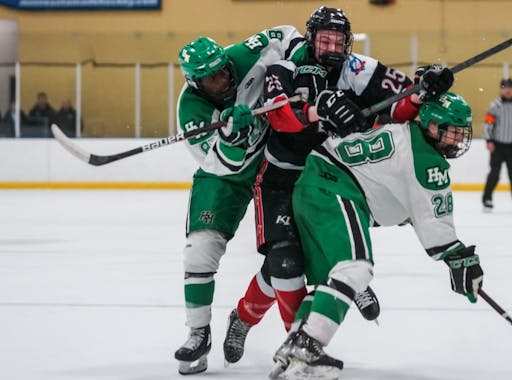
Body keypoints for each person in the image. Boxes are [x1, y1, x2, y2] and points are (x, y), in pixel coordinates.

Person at [223, 5, 455, 366]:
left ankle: (325, 297)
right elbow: (282, 118)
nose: (332, 47)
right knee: (285, 262)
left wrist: (423, 92)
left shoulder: (358, 69)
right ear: (310, 37)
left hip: (334, 180)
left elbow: (400, 104)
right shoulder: (285, 67)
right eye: (324, 39)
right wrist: (318, 109)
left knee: (322, 257)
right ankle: (281, 339)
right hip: (283, 179)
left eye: (339, 40)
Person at [271, 92, 484, 379]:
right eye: (451, 133)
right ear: (432, 126)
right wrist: (458, 257)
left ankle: (294, 346)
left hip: (314, 186)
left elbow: (400, 196)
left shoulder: (405, 136)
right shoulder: (425, 158)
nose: (457, 140)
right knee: (355, 267)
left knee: (328, 281)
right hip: (331, 187)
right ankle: (306, 349)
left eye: (461, 133)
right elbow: (435, 223)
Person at [173, 27, 309, 375]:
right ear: (195, 84)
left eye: (222, 70)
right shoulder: (191, 109)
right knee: (200, 249)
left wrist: (291, 71)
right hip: (226, 180)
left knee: (286, 252)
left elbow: (289, 34)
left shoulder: (246, 54)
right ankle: (198, 333)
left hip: (275, 167)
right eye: (211, 79)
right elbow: (220, 163)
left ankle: (255, 319)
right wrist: (233, 134)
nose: (222, 79)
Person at [481, 77, 512, 212]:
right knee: (494, 174)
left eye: (510, 88)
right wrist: (488, 140)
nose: (508, 90)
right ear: (501, 90)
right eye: (505, 88)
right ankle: (487, 199)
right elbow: (488, 124)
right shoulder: (495, 106)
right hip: (497, 146)